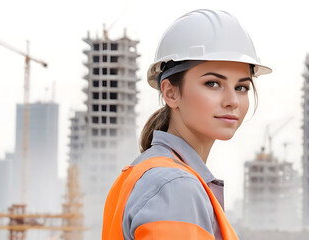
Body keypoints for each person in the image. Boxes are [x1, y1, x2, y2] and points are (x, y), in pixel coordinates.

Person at [102, 9, 271, 240]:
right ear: (171, 93)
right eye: (212, 83)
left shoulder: (146, 172)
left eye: (241, 87)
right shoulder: (175, 185)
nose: (232, 101)